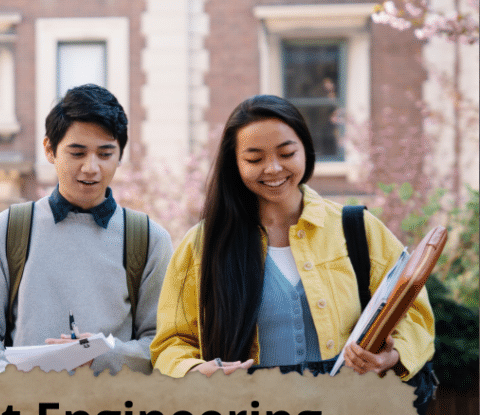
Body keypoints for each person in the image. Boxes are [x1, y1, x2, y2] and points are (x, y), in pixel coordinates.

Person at [151, 94, 434, 380]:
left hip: (347, 412)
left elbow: (414, 313)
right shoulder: (202, 245)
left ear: (306, 151)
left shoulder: (358, 228)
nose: (273, 168)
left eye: (286, 154)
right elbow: (171, 344)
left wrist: (392, 356)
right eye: (254, 158)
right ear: (235, 164)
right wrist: (197, 370)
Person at [0, 84, 173, 375]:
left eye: (105, 154)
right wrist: (9, 380)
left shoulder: (149, 239)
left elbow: (162, 345)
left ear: (120, 154)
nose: (91, 167)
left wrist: (101, 353)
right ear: (49, 149)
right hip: (25, 412)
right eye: (77, 153)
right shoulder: (8, 229)